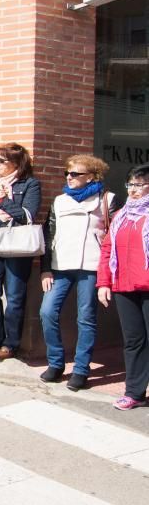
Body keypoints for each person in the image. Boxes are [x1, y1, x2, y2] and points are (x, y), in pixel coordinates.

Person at [39, 155, 119, 390]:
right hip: (61, 266)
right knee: (47, 312)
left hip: (91, 266)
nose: (70, 178)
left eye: (76, 174)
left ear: (92, 176)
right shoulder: (60, 201)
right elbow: (49, 235)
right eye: (68, 173)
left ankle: (82, 370)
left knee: (86, 318)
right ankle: (56, 363)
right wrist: (45, 270)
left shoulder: (107, 199)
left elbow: (114, 235)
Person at [0, 143, 41, 362]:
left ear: (17, 163)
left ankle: (10, 344)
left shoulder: (30, 184)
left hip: (18, 246)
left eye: (2, 161)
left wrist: (4, 201)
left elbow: (28, 215)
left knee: (14, 297)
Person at [98, 164, 149, 411]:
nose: (133, 190)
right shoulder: (121, 216)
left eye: (140, 185)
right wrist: (104, 283)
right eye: (131, 184)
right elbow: (107, 249)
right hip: (124, 286)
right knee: (133, 340)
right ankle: (134, 393)